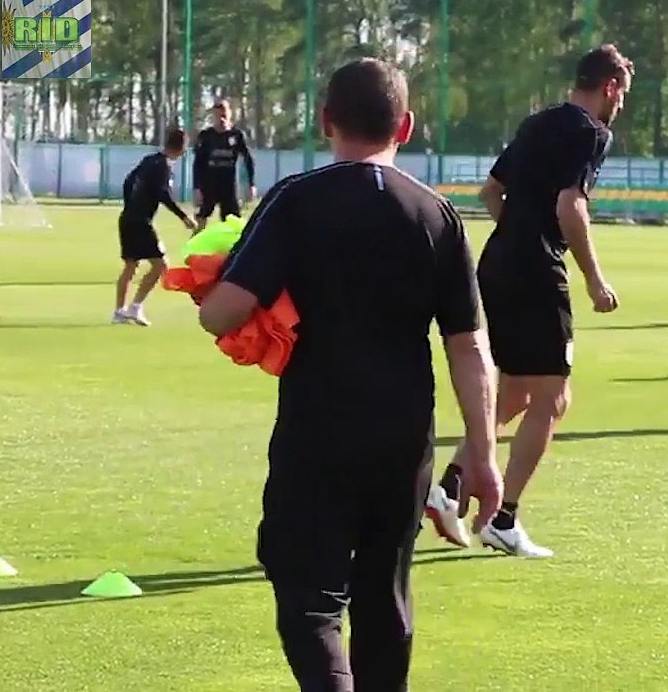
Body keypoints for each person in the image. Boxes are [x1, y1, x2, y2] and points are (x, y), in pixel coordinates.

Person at [197, 58, 503, 692]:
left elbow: (221, 313)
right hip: (402, 434)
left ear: (325, 120)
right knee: (384, 594)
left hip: (318, 427)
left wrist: (217, 278)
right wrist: (482, 450)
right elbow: (469, 345)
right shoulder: (437, 215)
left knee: (307, 594)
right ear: (407, 125)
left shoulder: (296, 199)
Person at [424, 44, 632, 558]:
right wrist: (593, 279)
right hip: (538, 270)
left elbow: (491, 192)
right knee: (554, 397)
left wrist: (518, 233)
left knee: (514, 393)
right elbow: (570, 206)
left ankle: (450, 487)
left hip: (496, 264)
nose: (620, 106)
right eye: (621, 95)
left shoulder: (537, 123)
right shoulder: (592, 133)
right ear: (609, 87)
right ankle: (503, 518)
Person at [113, 127, 196, 326]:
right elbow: (163, 194)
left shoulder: (149, 160)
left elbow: (128, 181)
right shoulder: (164, 166)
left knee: (131, 266)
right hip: (141, 221)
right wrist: (183, 217)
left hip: (127, 218)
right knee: (160, 265)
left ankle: (119, 311)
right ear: (182, 148)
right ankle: (135, 308)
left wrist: (130, 205)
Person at [192, 99, 256, 226]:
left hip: (228, 186)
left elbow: (248, 159)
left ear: (229, 114)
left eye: (223, 115)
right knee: (202, 218)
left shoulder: (236, 135)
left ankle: (234, 246)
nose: (221, 119)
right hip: (209, 185)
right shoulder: (206, 136)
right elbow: (198, 163)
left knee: (233, 222)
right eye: (217, 115)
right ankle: (195, 244)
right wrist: (197, 188)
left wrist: (251, 184)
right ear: (213, 116)